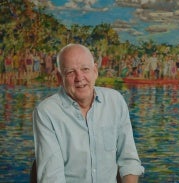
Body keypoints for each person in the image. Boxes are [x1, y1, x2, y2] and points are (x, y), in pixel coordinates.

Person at [33, 43, 144, 182]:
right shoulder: (46, 112)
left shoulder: (115, 101)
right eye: (70, 72)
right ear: (59, 78)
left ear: (95, 71)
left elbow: (129, 161)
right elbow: (52, 178)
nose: (80, 77)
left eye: (85, 69)